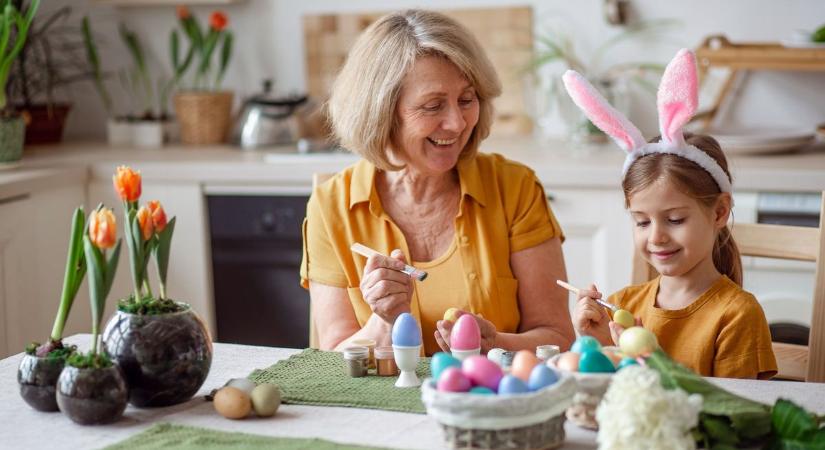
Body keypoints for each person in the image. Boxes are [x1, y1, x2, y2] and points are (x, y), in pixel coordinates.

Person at [300, 9, 575, 356]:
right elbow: (331, 362)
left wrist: (496, 344)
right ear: (382, 112)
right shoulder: (331, 206)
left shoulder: (515, 188)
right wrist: (382, 321)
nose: (457, 123)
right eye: (432, 106)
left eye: (466, 100)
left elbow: (557, 336)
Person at [565, 49, 777, 378]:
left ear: (719, 212)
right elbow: (616, 399)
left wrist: (653, 362)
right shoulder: (622, 306)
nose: (656, 236)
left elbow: (734, 418)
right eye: (642, 221)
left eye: (675, 219)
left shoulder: (737, 315)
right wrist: (594, 346)